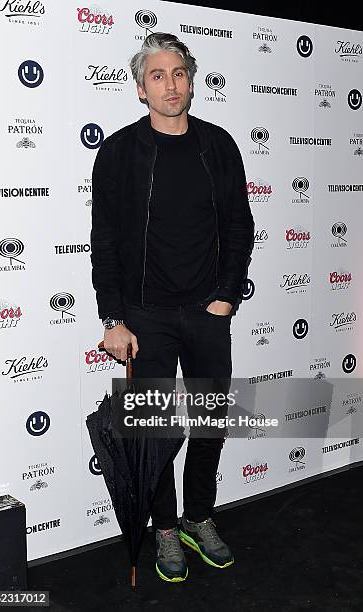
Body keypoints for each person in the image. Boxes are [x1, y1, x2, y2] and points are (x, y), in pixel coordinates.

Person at [90, 32, 254, 583]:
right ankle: (164, 527)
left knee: (210, 423)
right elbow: (105, 239)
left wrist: (226, 295)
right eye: (157, 76)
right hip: (145, 316)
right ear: (141, 90)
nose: (170, 85)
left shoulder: (219, 144)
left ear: (191, 80)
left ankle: (199, 515)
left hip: (207, 312)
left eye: (179, 73)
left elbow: (238, 224)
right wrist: (113, 318)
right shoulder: (118, 151)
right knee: (154, 429)